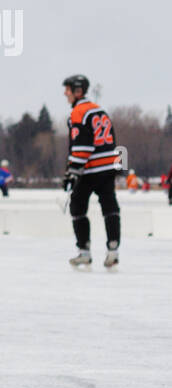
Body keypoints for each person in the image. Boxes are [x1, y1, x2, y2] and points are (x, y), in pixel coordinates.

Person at [61, 74, 121, 268]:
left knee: (77, 207)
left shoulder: (79, 112)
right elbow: (111, 139)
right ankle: (113, 249)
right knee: (109, 206)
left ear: (78, 91)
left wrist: (73, 170)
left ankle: (84, 251)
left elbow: (82, 146)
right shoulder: (99, 110)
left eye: (68, 90)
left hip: (90, 168)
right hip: (108, 166)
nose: (65, 93)